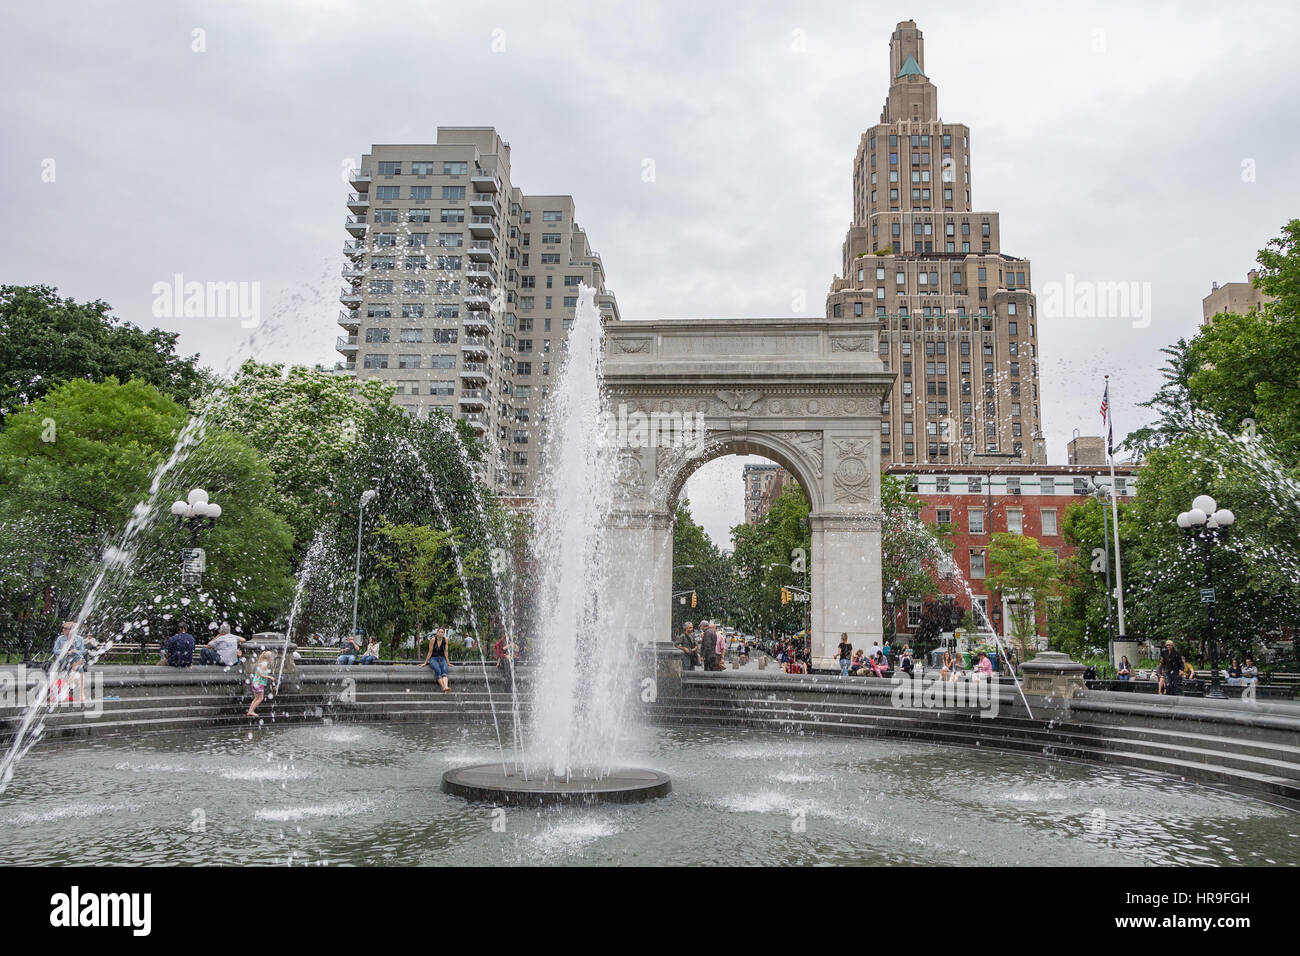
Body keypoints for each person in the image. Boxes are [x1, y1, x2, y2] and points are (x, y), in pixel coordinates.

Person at [51, 620, 87, 703]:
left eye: (65, 629)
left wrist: (75, 651)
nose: (63, 630)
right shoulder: (60, 639)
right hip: (64, 658)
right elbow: (55, 650)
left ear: (71, 630)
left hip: (75, 658)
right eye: (63, 629)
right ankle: (72, 677)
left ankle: (78, 688)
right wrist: (65, 651)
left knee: (79, 659)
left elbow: (82, 651)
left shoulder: (79, 639)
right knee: (79, 666)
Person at [422, 627, 452, 692]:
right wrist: (425, 663)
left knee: (444, 671)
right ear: (437, 633)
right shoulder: (433, 640)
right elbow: (430, 652)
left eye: (442, 632)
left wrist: (448, 662)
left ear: (444, 633)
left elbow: (446, 651)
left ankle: (446, 687)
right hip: (433, 659)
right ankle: (443, 687)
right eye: (439, 632)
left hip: (442, 658)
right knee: (438, 671)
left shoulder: (445, 640)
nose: (440, 633)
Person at [247, 650, 274, 717]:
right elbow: (261, 674)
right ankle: (251, 711)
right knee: (260, 698)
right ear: (269, 658)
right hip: (258, 684)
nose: (272, 659)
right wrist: (269, 677)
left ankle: (250, 711)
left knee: (256, 698)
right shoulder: (264, 664)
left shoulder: (261, 663)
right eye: (271, 657)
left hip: (255, 683)